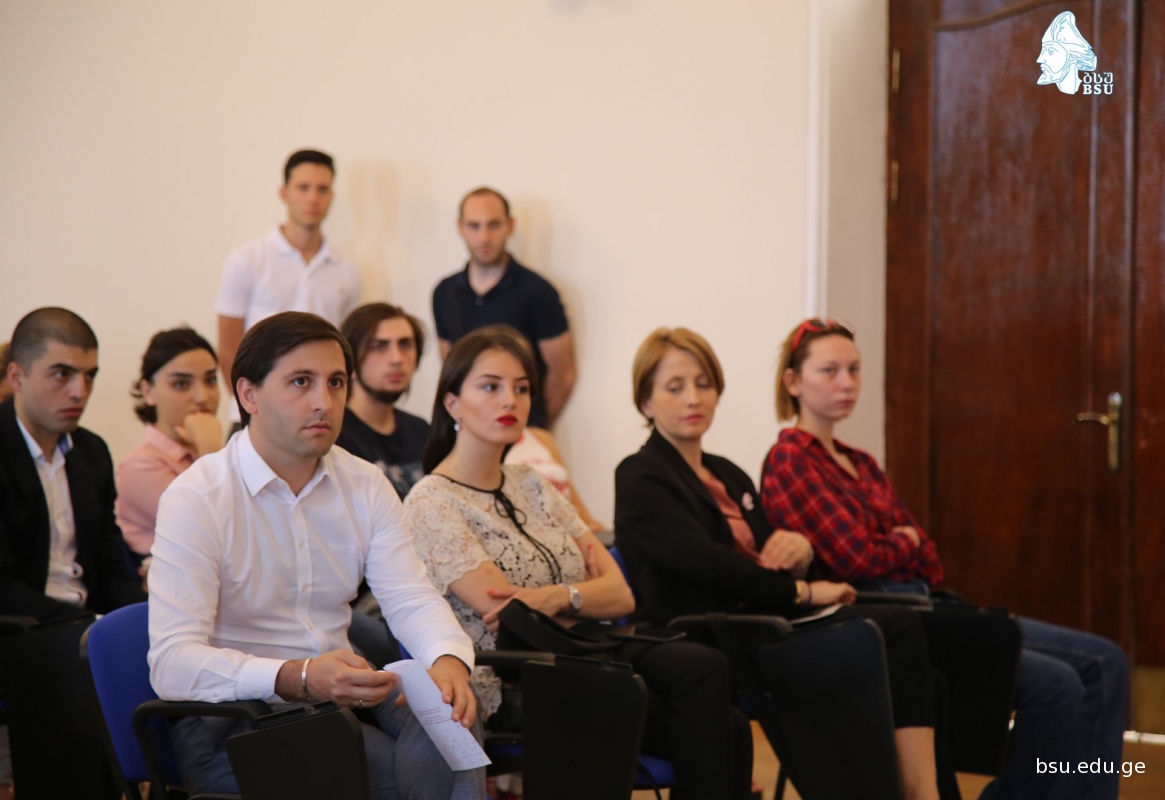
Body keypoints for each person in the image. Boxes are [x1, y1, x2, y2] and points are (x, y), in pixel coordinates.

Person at [761, 318, 1129, 800]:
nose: (847, 383)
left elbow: (931, 558)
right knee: (1058, 687)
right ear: (793, 382)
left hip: (926, 602)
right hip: (882, 622)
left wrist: (904, 544)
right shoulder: (791, 458)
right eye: (829, 371)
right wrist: (903, 542)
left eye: (854, 369)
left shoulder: (861, 462)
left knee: (1106, 661)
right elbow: (857, 560)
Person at [405, 325, 753, 800]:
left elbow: (620, 593)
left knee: (705, 672)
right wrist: (583, 596)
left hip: (584, 648)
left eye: (521, 388)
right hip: (512, 674)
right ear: (452, 403)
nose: (510, 400)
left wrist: (557, 597)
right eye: (490, 386)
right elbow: (510, 615)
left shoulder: (531, 482)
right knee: (726, 727)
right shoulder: (432, 500)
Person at [147, 312, 484, 799]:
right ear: (249, 395)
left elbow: (411, 595)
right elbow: (173, 664)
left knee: (453, 718)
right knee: (398, 776)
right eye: (301, 382)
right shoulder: (197, 497)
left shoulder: (365, 483)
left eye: (336, 382)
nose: (323, 402)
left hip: (339, 695)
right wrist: (298, 676)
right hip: (235, 715)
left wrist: (448, 659)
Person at [613, 326, 943, 800]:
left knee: (911, 647)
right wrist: (801, 592)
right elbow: (709, 564)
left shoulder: (728, 472)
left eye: (704, 384)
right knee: (880, 634)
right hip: (709, 634)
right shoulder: (640, 475)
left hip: (763, 622)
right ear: (646, 401)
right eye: (675, 387)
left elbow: (774, 552)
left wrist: (800, 551)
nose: (693, 399)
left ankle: (923, 790)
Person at [0, 307, 145, 622]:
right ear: (17, 377)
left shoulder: (92, 452)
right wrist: (88, 625)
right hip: (22, 631)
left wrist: (145, 619)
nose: (80, 392)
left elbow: (110, 566)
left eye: (89, 375)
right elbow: (4, 589)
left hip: (83, 624)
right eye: (61, 374)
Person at [215, 149, 361, 430]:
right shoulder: (247, 259)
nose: (313, 198)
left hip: (319, 417)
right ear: (284, 193)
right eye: (303, 187)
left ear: (331, 197)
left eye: (322, 189)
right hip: (256, 417)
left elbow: (346, 349)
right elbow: (228, 348)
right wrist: (250, 407)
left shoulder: (347, 270)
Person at [431, 187, 576, 429]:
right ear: (460, 227)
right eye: (474, 226)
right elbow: (451, 368)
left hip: (520, 431)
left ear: (510, 225)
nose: (484, 237)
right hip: (466, 430)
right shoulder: (445, 292)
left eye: (494, 225)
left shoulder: (538, 291)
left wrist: (533, 428)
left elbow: (562, 373)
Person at [116, 328, 222, 565]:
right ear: (148, 391)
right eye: (181, 384)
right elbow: (219, 531)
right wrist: (211, 449)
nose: (202, 397)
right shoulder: (140, 466)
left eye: (210, 380)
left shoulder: (212, 450)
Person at [337, 303, 430, 499]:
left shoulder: (420, 430)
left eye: (405, 344)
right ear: (349, 359)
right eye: (378, 347)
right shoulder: (335, 434)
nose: (397, 359)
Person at [504, 427, 605, 532]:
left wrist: (590, 524)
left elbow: (572, 498)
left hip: (568, 529)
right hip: (532, 532)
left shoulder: (541, 437)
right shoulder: (497, 443)